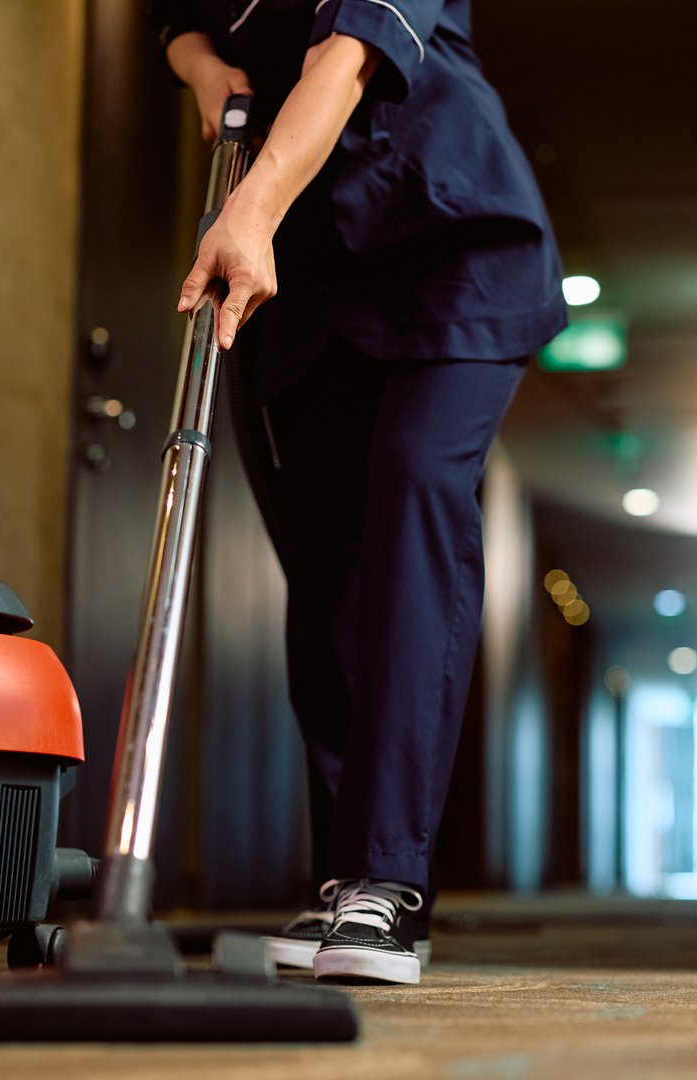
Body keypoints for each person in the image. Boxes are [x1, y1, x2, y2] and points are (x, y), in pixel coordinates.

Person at [151, 0, 566, 985]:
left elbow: (344, 61)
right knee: (327, 561)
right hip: (318, 280)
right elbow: (174, 16)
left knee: (417, 488)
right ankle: (343, 878)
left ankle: (389, 879)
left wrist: (246, 211)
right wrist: (207, 70)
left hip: (450, 240)